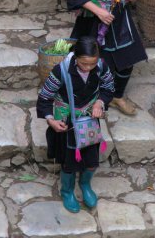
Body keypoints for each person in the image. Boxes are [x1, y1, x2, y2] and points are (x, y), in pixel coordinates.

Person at [36, 36, 114, 213]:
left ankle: (85, 184)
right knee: (69, 161)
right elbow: (45, 97)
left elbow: (109, 88)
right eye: (84, 64)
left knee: (91, 158)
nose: (88, 68)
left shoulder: (101, 67)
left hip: (89, 121)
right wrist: (51, 119)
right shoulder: (61, 71)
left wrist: (99, 103)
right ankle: (67, 191)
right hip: (67, 122)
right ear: (75, 57)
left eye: (92, 64)